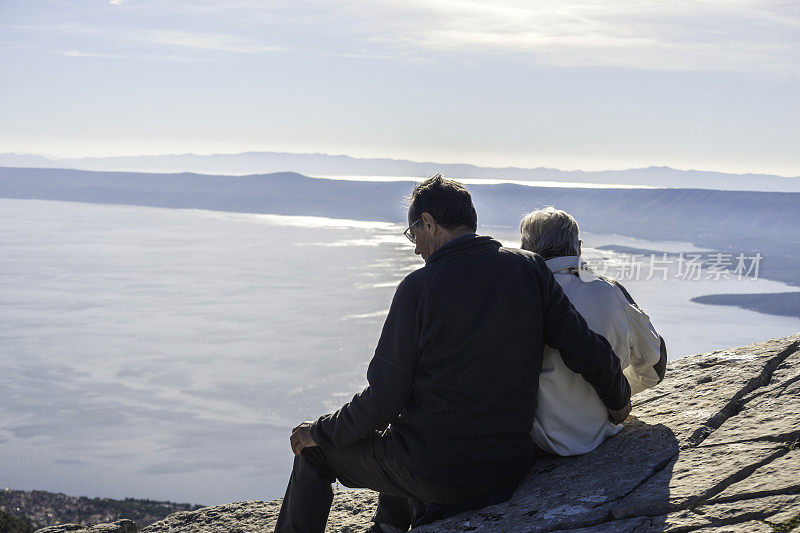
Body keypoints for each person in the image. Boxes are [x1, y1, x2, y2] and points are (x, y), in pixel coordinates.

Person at [275, 176, 631, 532]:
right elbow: (583, 345)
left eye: (413, 234)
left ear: (428, 223)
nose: (415, 248)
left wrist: (320, 431)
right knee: (403, 438)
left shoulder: (418, 288)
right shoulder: (528, 268)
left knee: (315, 453)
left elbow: (383, 399)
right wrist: (618, 399)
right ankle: (389, 527)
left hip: (437, 475)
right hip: (505, 470)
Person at [520, 206, 667, 456]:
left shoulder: (518, 295)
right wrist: (617, 396)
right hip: (600, 430)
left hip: (537, 438)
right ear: (578, 246)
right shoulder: (610, 291)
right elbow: (654, 366)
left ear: (525, 249)